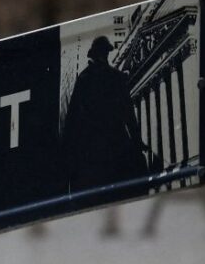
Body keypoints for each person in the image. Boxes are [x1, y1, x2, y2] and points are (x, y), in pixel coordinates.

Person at [61, 35, 150, 195]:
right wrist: (137, 142)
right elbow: (129, 114)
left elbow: (73, 118)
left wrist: (70, 149)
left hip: (92, 149)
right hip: (116, 143)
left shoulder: (84, 79)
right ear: (105, 54)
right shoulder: (116, 77)